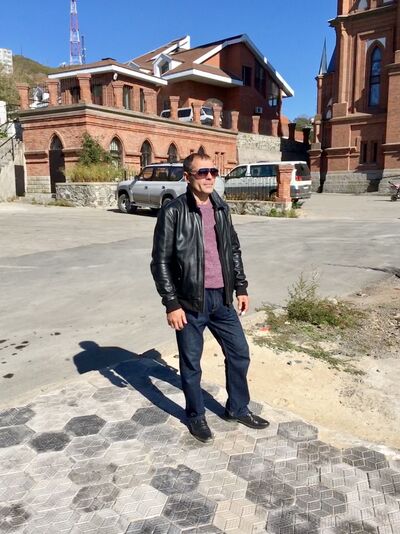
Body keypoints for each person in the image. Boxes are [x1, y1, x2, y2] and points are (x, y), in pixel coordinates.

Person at [150, 151, 269, 443]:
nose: (209, 177)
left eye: (213, 172)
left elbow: (233, 249)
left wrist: (241, 287)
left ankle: (237, 408)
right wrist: (171, 303)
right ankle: (196, 416)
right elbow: (160, 261)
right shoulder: (173, 212)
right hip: (190, 303)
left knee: (239, 353)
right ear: (187, 177)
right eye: (202, 172)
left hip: (222, 299)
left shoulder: (221, 207)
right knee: (192, 364)